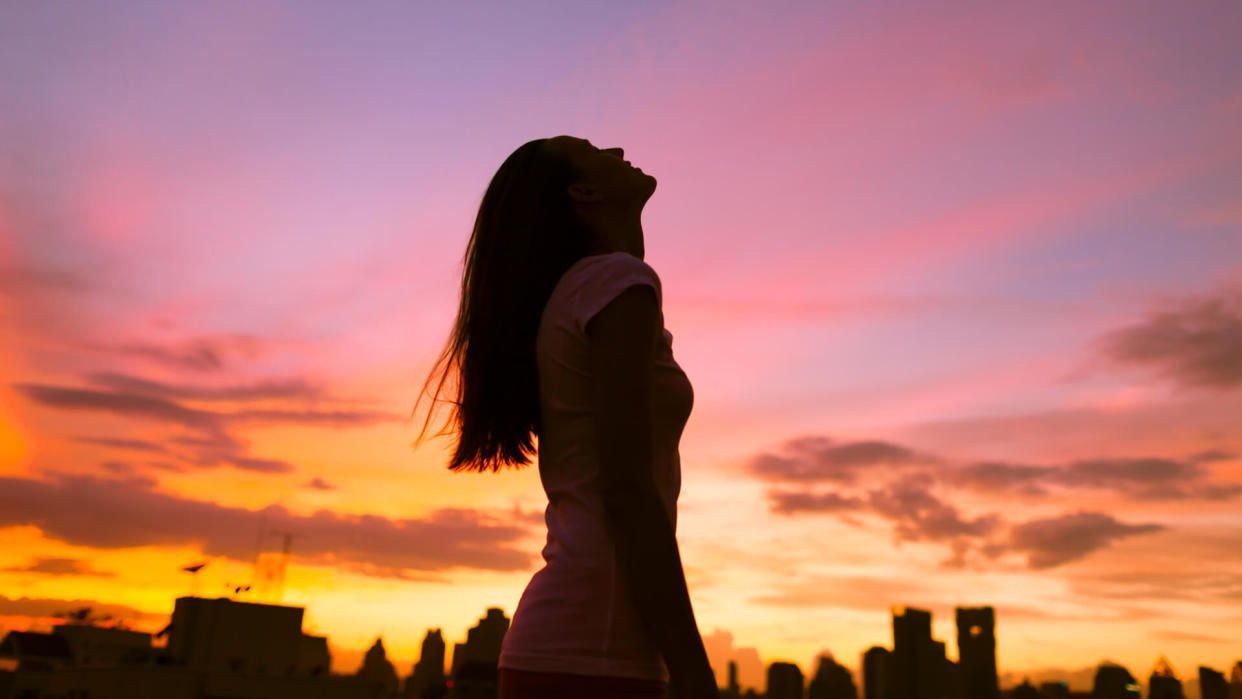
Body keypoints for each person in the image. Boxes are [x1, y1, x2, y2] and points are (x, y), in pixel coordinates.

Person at [413, 135, 719, 699]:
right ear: (584, 191)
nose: (618, 147)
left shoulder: (582, 292)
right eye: (593, 148)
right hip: (593, 659)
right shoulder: (614, 283)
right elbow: (627, 493)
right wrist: (696, 675)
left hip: (574, 650)